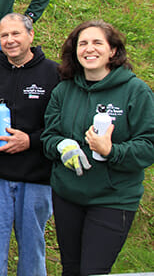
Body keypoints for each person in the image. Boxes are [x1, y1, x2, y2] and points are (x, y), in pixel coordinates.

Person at [41, 20, 154, 276]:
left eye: (97, 43)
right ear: (75, 50)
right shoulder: (63, 90)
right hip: (68, 196)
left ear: (113, 50)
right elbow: (48, 137)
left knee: (93, 271)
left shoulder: (135, 92)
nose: (89, 49)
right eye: (83, 43)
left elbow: (149, 146)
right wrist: (62, 145)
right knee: (71, 269)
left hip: (112, 198)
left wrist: (111, 151)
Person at [0, 13, 59, 276]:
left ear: (31, 35)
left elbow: (63, 126)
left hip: (36, 178)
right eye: (4, 35)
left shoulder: (54, 74)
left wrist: (30, 140)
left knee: (32, 250)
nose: (10, 40)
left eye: (16, 34)